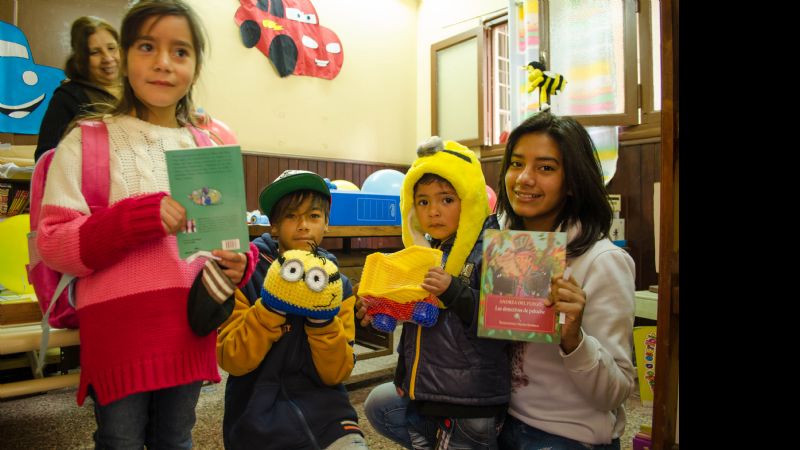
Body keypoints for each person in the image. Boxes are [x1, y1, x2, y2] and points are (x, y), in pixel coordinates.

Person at [36, 1, 257, 448]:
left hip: (191, 323)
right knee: (119, 438)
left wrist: (242, 264)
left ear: (195, 67)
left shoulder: (206, 143)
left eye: (180, 51)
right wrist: (135, 218)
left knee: (176, 438)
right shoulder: (87, 139)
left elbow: (234, 237)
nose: (162, 63)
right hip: (118, 329)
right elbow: (55, 243)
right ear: (123, 56)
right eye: (146, 46)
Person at [494, 110, 636, 449]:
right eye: (516, 163)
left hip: (565, 433)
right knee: (386, 405)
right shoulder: (501, 246)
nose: (524, 178)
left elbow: (615, 392)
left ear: (572, 182)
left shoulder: (603, 261)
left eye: (545, 168)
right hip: (498, 415)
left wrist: (573, 338)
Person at [362, 137, 510, 449]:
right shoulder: (428, 251)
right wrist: (384, 307)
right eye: (424, 202)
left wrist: (454, 290)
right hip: (427, 395)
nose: (434, 212)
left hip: (470, 403)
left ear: (469, 199)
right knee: (383, 408)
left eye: (446, 200)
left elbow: (506, 325)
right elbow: (416, 326)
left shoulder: (498, 248)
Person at [209, 169, 368, 449]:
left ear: (327, 224)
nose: (304, 225)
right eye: (292, 216)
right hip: (256, 412)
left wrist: (322, 321)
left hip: (327, 412)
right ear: (274, 226)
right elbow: (232, 358)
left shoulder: (338, 285)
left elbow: (337, 373)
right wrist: (270, 307)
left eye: (314, 216)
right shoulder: (245, 274)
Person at [34, 16, 122, 161]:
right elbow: (45, 158)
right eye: (95, 52)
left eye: (111, 48)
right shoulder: (67, 98)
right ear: (82, 59)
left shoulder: (137, 90)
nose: (107, 58)